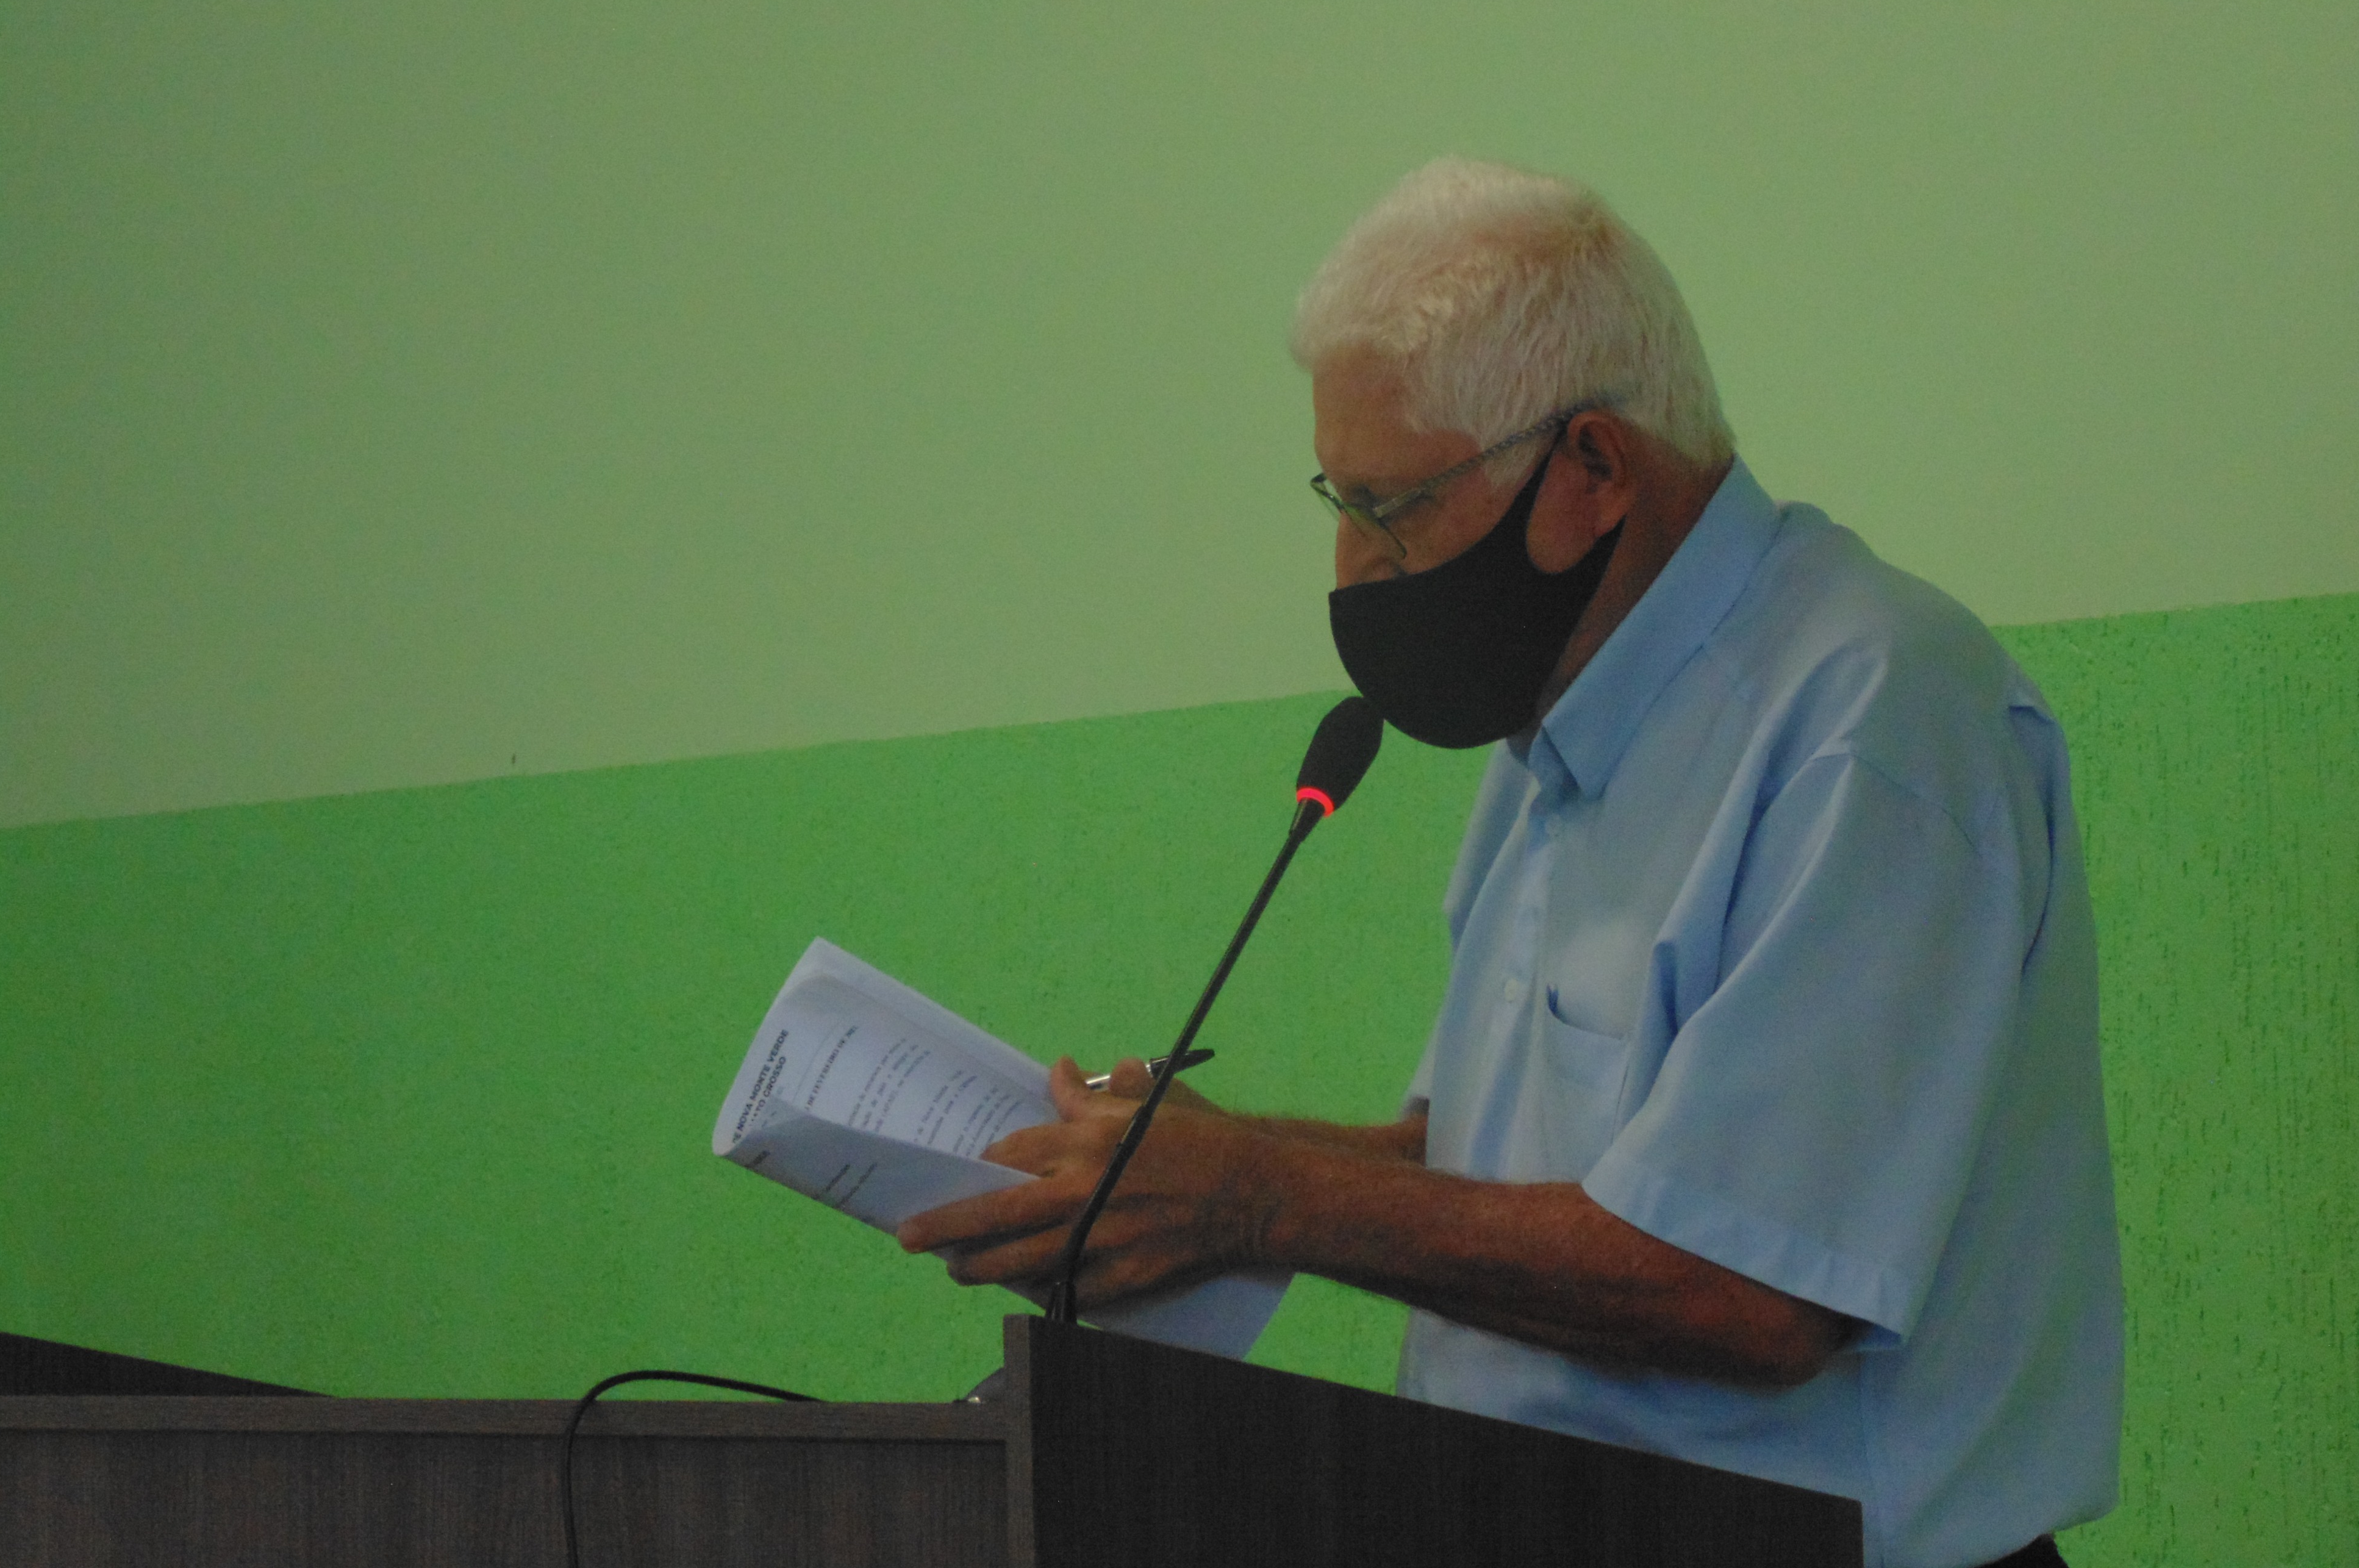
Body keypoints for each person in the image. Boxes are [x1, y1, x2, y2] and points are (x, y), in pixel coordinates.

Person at [900, 159, 2124, 1568]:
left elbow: (1753, 1290)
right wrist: (1179, 1171)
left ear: (1592, 469)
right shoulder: (1557, 715)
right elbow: (1477, 1170)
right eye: (1339, 500)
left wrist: (1259, 1194)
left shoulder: (1870, 720)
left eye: (1392, 507)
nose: (1353, 568)